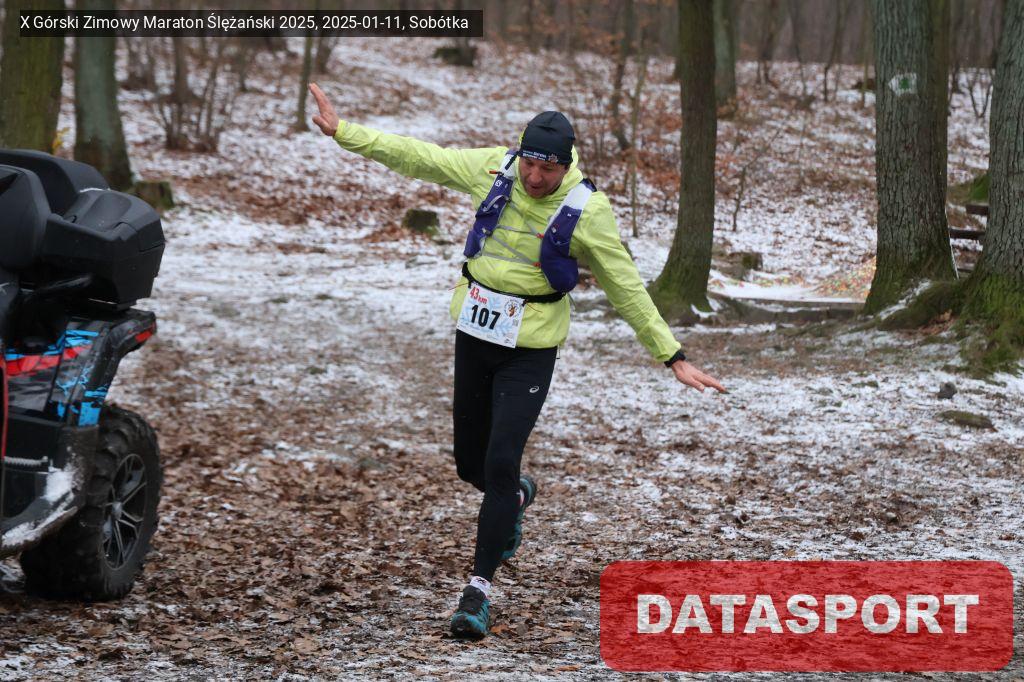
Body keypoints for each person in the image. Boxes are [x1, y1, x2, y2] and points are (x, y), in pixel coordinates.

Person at [309, 83, 726, 639]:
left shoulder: (588, 211)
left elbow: (626, 286)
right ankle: (517, 497)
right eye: (529, 163)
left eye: (547, 169)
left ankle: (477, 592)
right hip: (476, 333)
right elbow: (421, 157)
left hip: (530, 349)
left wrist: (671, 354)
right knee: (471, 466)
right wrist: (345, 133)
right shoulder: (493, 170)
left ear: (565, 165)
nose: (534, 177)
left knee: (502, 461)